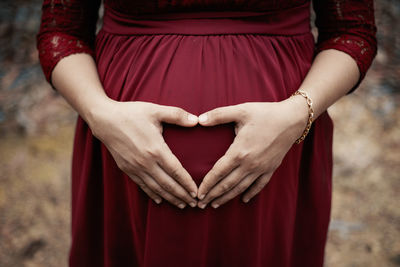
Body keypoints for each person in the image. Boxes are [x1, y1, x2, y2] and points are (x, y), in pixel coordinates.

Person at [36, 0, 377, 266]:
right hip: (122, 154)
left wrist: (296, 113)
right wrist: (101, 113)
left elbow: (352, 33)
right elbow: (61, 33)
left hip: (279, 153)